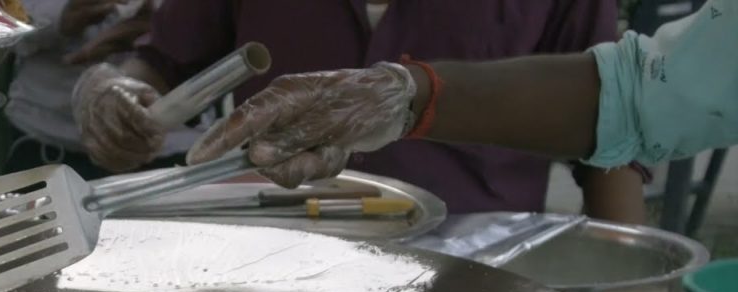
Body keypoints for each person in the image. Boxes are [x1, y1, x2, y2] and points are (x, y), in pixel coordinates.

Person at [72, 0, 648, 222]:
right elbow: (162, 59)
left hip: (472, 270)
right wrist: (120, 93)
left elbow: (608, 134)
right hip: (270, 249)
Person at [186, 0, 736, 194]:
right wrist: (400, 96)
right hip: (270, 244)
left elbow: (628, 121)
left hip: (469, 267)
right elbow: (632, 95)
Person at [2, 0, 204, 179]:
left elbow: (223, 21)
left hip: (169, 147)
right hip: (48, 143)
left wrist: (166, 28)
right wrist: (57, 15)